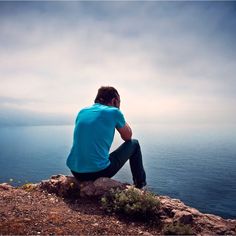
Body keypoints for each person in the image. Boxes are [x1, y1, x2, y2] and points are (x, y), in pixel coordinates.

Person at [66, 86, 146, 189]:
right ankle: (140, 185)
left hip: (76, 171)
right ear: (114, 101)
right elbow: (128, 137)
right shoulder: (114, 112)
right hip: (98, 172)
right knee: (134, 144)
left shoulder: (82, 111)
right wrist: (118, 111)